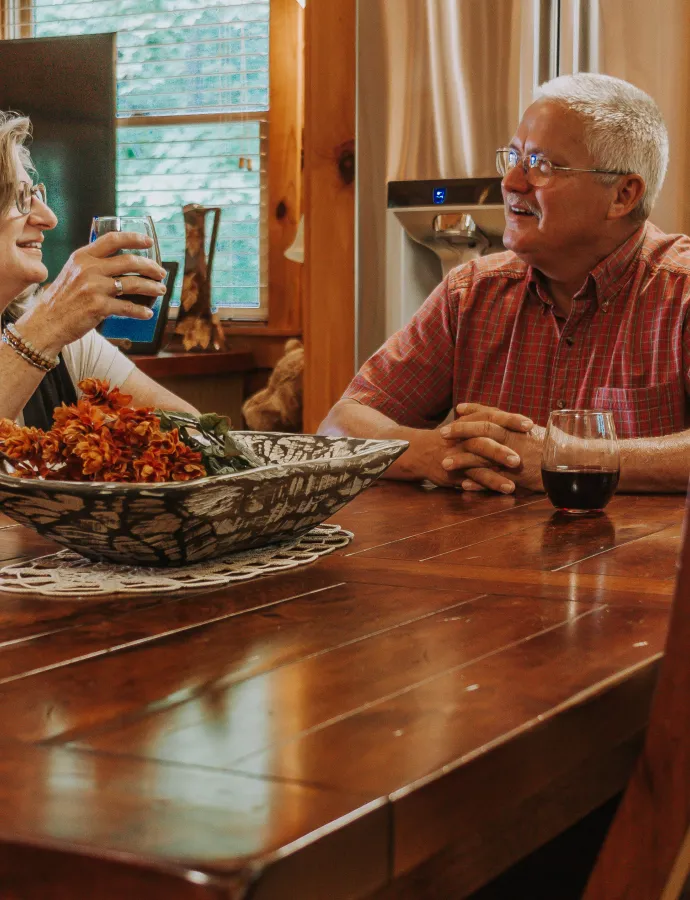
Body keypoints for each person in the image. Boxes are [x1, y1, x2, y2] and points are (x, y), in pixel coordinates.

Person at [320, 73, 690, 495]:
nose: (512, 182)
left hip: (637, 560)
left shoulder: (681, 293)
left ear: (623, 195)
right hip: (474, 558)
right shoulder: (470, 293)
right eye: (513, 157)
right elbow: (340, 424)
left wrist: (566, 456)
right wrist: (435, 453)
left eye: (542, 165)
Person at [0, 111, 199, 428]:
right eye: (20, 197)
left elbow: (202, 438)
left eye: (37, 195)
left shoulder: (68, 344)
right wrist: (47, 324)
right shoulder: (51, 327)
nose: (49, 218)